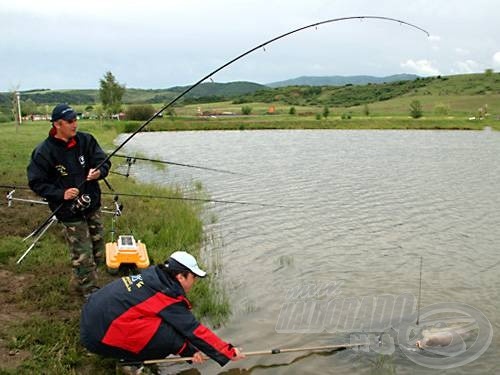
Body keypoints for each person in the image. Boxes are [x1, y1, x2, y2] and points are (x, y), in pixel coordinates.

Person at [80, 251, 245, 368]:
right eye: (193, 277)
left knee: (166, 326)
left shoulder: (155, 277)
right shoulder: (167, 295)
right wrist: (228, 352)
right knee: (168, 338)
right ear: (180, 276)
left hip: (90, 318)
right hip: (98, 335)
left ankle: (123, 352)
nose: (194, 281)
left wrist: (189, 351)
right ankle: (130, 363)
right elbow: (194, 330)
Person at [27, 103, 111, 297]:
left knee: (98, 250)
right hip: (68, 211)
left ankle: (81, 280)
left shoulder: (86, 141)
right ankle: (90, 293)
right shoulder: (44, 152)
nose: (75, 124)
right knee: (82, 254)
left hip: (92, 204)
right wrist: (60, 194)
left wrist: (99, 171)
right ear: (57, 124)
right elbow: (36, 182)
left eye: (76, 119)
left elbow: (103, 161)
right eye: (70, 121)